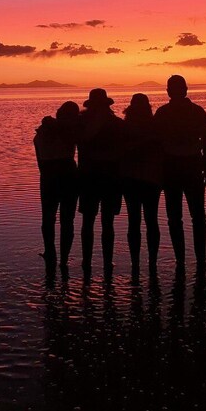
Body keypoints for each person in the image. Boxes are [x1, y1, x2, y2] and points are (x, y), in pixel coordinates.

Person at [153, 75, 206, 275]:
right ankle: (197, 260)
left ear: (169, 91)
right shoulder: (195, 112)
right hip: (184, 167)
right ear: (185, 90)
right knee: (194, 217)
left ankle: (185, 261)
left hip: (180, 168)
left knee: (178, 217)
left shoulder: (164, 113)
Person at [77, 88, 125, 280]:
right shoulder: (115, 124)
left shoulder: (82, 124)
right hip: (106, 179)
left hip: (94, 178)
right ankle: (103, 261)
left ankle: (91, 261)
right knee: (103, 222)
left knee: (93, 221)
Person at [34, 101, 80, 279]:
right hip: (68, 175)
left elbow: (39, 158)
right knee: (67, 219)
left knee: (48, 217)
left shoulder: (43, 130)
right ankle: (63, 258)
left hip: (48, 175)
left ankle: (50, 253)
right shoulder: (71, 132)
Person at [120, 93, 162, 277]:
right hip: (150, 180)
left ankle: (136, 263)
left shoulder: (125, 127)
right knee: (151, 221)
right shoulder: (154, 127)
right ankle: (151, 262)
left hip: (132, 180)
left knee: (134, 222)